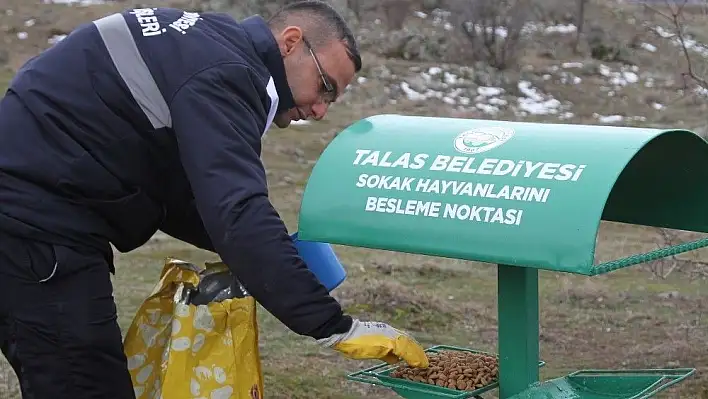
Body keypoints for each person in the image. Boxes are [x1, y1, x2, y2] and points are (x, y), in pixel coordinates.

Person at [0, 1, 429, 398]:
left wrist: (278, 257)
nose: (320, 109)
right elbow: (236, 211)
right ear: (291, 41)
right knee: (86, 384)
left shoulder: (207, 45)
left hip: (32, 208)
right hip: (34, 228)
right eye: (324, 86)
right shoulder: (227, 73)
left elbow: (185, 195)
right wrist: (332, 326)